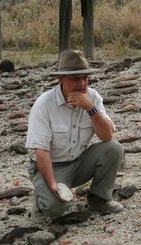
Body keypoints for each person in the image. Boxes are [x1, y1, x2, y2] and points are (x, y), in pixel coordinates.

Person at [26, 50, 124, 219]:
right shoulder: (43, 105)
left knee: (114, 149)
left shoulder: (93, 97)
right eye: (75, 78)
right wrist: (52, 185)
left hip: (78, 162)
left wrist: (90, 109)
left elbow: (107, 136)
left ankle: (99, 199)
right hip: (51, 166)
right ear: (60, 79)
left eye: (85, 78)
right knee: (54, 210)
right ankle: (41, 198)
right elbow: (41, 152)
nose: (82, 83)